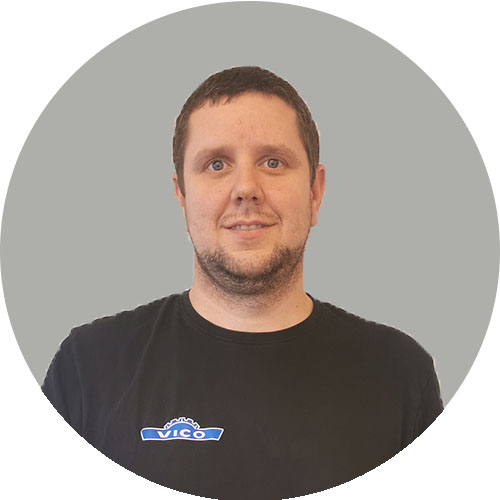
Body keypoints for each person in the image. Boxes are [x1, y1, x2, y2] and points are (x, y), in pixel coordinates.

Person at [42, 66, 443, 500]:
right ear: (181, 195)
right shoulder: (88, 368)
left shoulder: (401, 375)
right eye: (216, 164)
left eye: (273, 162)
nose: (246, 188)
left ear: (315, 192)